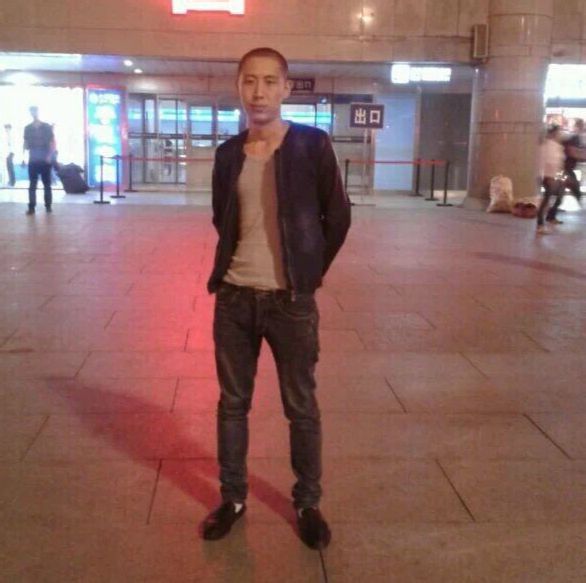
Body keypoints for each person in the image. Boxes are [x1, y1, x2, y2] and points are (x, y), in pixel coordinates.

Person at [202, 47, 351, 550]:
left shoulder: (312, 144)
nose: (259, 92)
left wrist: (307, 272)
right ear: (238, 86)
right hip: (234, 299)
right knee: (232, 405)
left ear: (286, 88)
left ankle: (307, 502)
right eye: (249, 81)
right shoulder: (228, 153)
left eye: (269, 81)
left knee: (300, 406)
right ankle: (232, 499)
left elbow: (338, 217)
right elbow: (222, 218)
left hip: (291, 303)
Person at [23, 106, 55, 214]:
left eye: (35, 111)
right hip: (33, 158)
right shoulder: (27, 128)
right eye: (32, 111)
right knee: (32, 184)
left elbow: (52, 142)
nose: (34, 113)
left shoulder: (46, 127)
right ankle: (31, 207)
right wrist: (23, 157)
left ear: (38, 112)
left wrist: (49, 156)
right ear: (30, 113)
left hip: (44, 158)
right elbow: (25, 143)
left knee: (47, 184)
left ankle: (48, 206)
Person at [537, 125, 565, 234]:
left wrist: (561, 177)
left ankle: (551, 216)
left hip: (557, 175)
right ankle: (540, 225)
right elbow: (542, 162)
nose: (560, 134)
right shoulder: (545, 145)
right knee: (546, 200)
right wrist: (544, 176)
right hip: (548, 176)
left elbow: (559, 163)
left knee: (560, 196)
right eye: (558, 132)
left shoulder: (558, 146)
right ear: (553, 133)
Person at [562, 118, 586, 204]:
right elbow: (571, 151)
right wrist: (581, 155)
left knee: (570, 186)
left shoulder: (577, 137)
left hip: (568, 166)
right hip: (565, 166)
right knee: (574, 186)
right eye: (582, 125)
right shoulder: (574, 137)